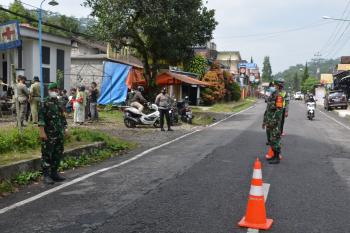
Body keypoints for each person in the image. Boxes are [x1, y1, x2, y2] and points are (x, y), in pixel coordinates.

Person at [38, 82, 67, 184]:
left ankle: (54, 173)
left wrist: (65, 128)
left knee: (57, 153)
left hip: (59, 133)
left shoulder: (59, 102)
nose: (55, 92)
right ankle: (46, 175)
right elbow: (41, 119)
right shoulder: (44, 103)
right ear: (49, 91)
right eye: (53, 90)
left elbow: (63, 117)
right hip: (48, 134)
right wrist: (42, 132)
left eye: (56, 90)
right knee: (47, 154)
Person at [262, 87, 283, 164]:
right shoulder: (270, 98)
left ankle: (277, 158)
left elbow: (279, 110)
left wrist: (274, 121)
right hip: (269, 122)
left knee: (275, 139)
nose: (269, 92)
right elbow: (267, 111)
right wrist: (264, 122)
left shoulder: (279, 97)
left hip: (274, 123)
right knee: (270, 140)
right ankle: (274, 156)